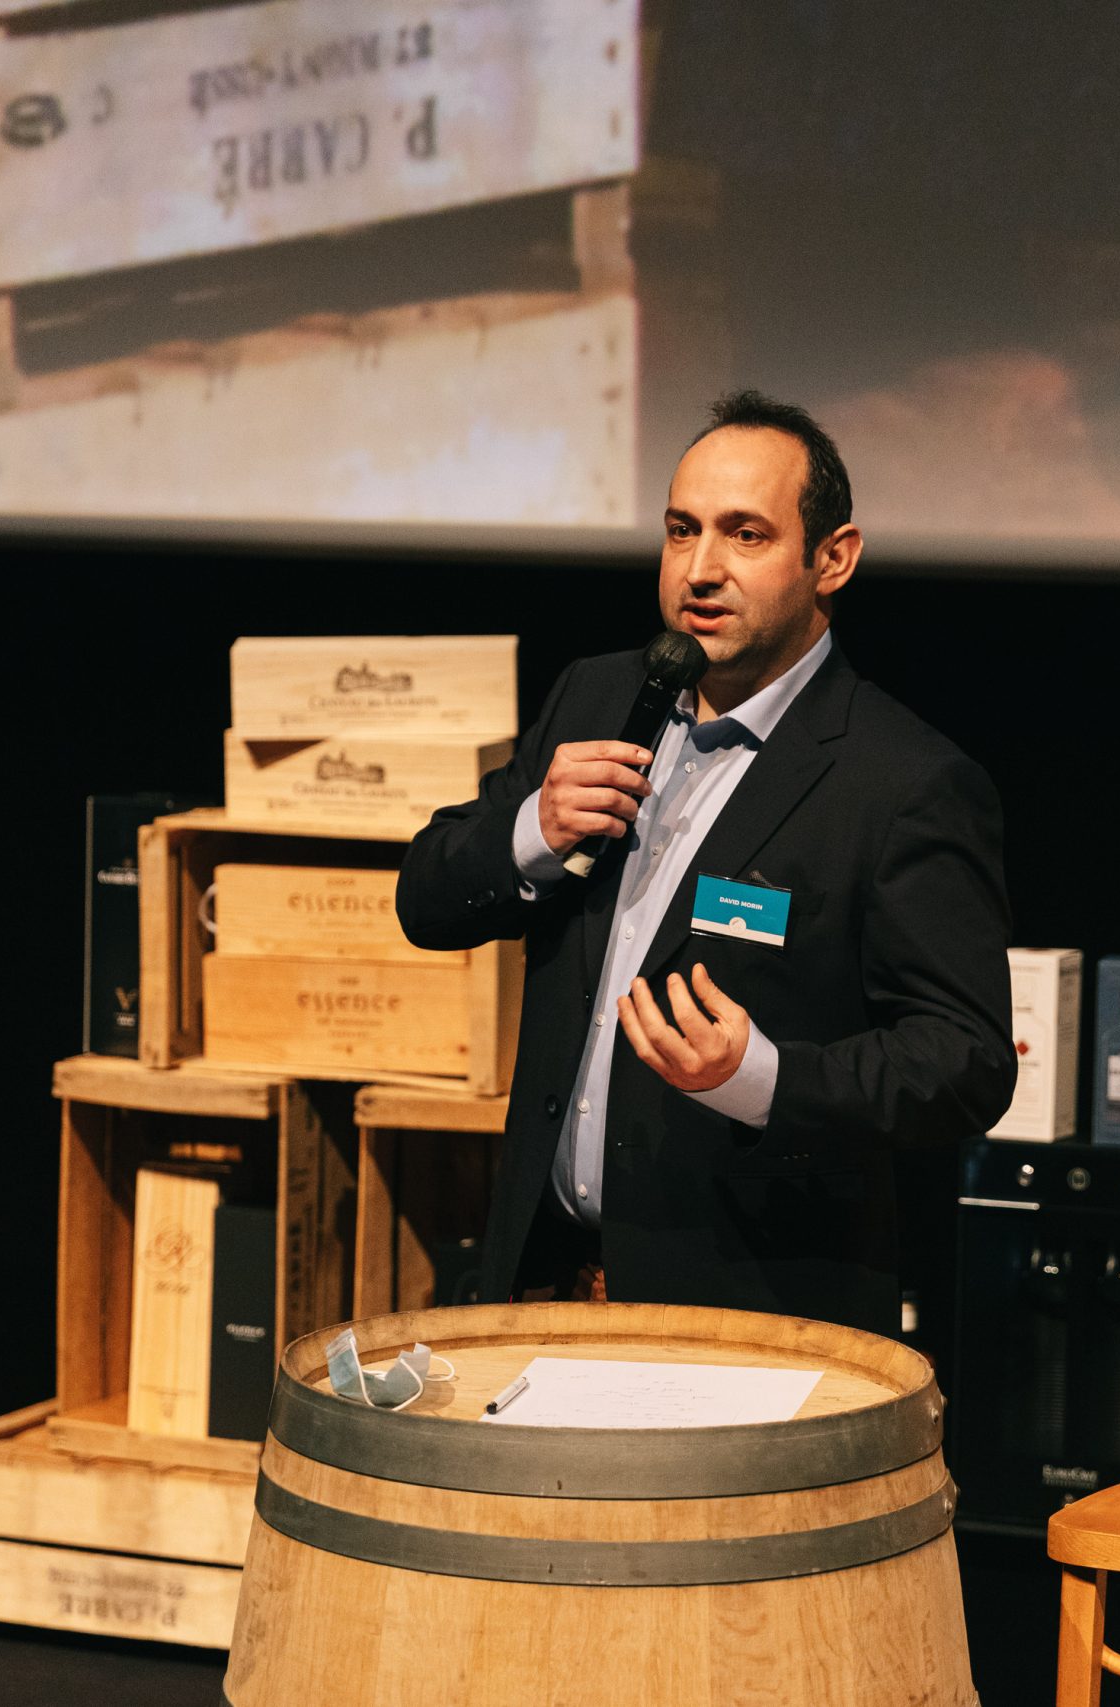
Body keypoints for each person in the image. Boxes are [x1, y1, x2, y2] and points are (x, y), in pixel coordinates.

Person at [396, 391, 1016, 1334]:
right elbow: (426, 899)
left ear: (833, 558)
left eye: (746, 535)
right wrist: (533, 829)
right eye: (681, 530)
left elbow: (965, 1062)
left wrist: (762, 1076)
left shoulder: (903, 781)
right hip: (543, 1283)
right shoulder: (597, 695)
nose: (700, 569)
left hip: (750, 1318)